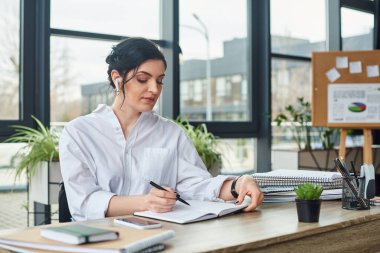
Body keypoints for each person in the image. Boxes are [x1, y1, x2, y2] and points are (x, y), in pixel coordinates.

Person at [59, 37, 263, 221]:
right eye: (142, 79)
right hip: (98, 240)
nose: (154, 89)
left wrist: (238, 184)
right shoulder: (79, 133)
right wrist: (145, 202)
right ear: (117, 78)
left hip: (159, 236)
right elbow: (83, 202)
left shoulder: (171, 133)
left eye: (159, 81)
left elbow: (197, 185)